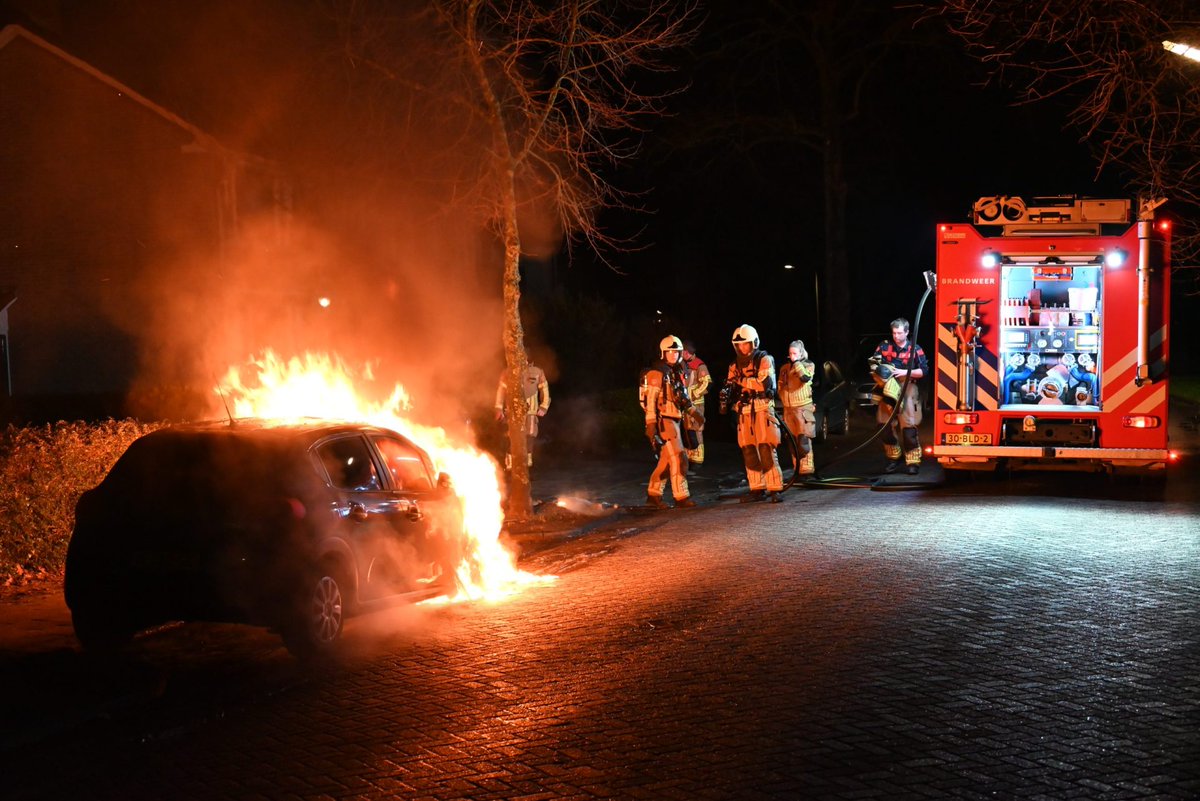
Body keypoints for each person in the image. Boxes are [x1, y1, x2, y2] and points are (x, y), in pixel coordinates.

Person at [720, 324, 784, 503]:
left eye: (746, 344)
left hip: (763, 409)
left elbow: (764, 384)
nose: (742, 348)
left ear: (754, 343)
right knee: (748, 450)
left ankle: (774, 488)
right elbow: (731, 386)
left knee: (765, 448)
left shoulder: (764, 359)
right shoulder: (734, 365)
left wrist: (741, 381)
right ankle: (756, 488)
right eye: (739, 345)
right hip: (744, 411)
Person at [642, 335, 697, 509]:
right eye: (670, 352)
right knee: (679, 458)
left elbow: (682, 398)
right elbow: (650, 401)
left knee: (666, 462)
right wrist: (651, 425)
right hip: (664, 421)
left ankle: (653, 495)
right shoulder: (656, 373)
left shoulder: (677, 372)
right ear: (663, 354)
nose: (673, 355)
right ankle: (681, 497)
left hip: (675, 421)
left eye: (676, 352)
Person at [870, 317, 927, 475]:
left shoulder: (915, 348)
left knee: (908, 426)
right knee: (884, 425)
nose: (896, 336)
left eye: (900, 333)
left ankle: (913, 461)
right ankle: (893, 457)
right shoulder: (884, 346)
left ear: (907, 332)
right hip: (887, 385)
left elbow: (924, 371)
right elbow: (873, 364)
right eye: (894, 333)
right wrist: (881, 371)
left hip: (907, 386)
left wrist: (903, 372)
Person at [495, 354, 551, 469]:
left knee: (530, 434)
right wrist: (499, 408)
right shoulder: (508, 372)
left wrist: (543, 407)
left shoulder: (537, 372)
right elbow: (501, 391)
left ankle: (527, 460)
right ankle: (509, 460)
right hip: (512, 411)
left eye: (524, 357)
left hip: (530, 411)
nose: (521, 360)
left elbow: (544, 390)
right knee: (511, 435)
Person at [778, 339, 816, 477]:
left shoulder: (808, 365)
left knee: (803, 441)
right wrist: (782, 397)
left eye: (795, 353)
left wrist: (797, 364)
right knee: (792, 441)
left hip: (802, 408)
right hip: (789, 409)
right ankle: (798, 470)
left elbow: (805, 378)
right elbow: (780, 386)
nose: (792, 356)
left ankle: (807, 471)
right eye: (790, 353)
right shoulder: (784, 368)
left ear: (801, 353)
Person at [681, 340, 711, 465]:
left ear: (689, 352)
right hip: (685, 404)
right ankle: (689, 455)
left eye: (684, 352)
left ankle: (698, 458)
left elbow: (707, 384)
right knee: (687, 429)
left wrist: (693, 394)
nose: (682, 354)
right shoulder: (682, 365)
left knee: (697, 429)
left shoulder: (699, 365)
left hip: (696, 403)